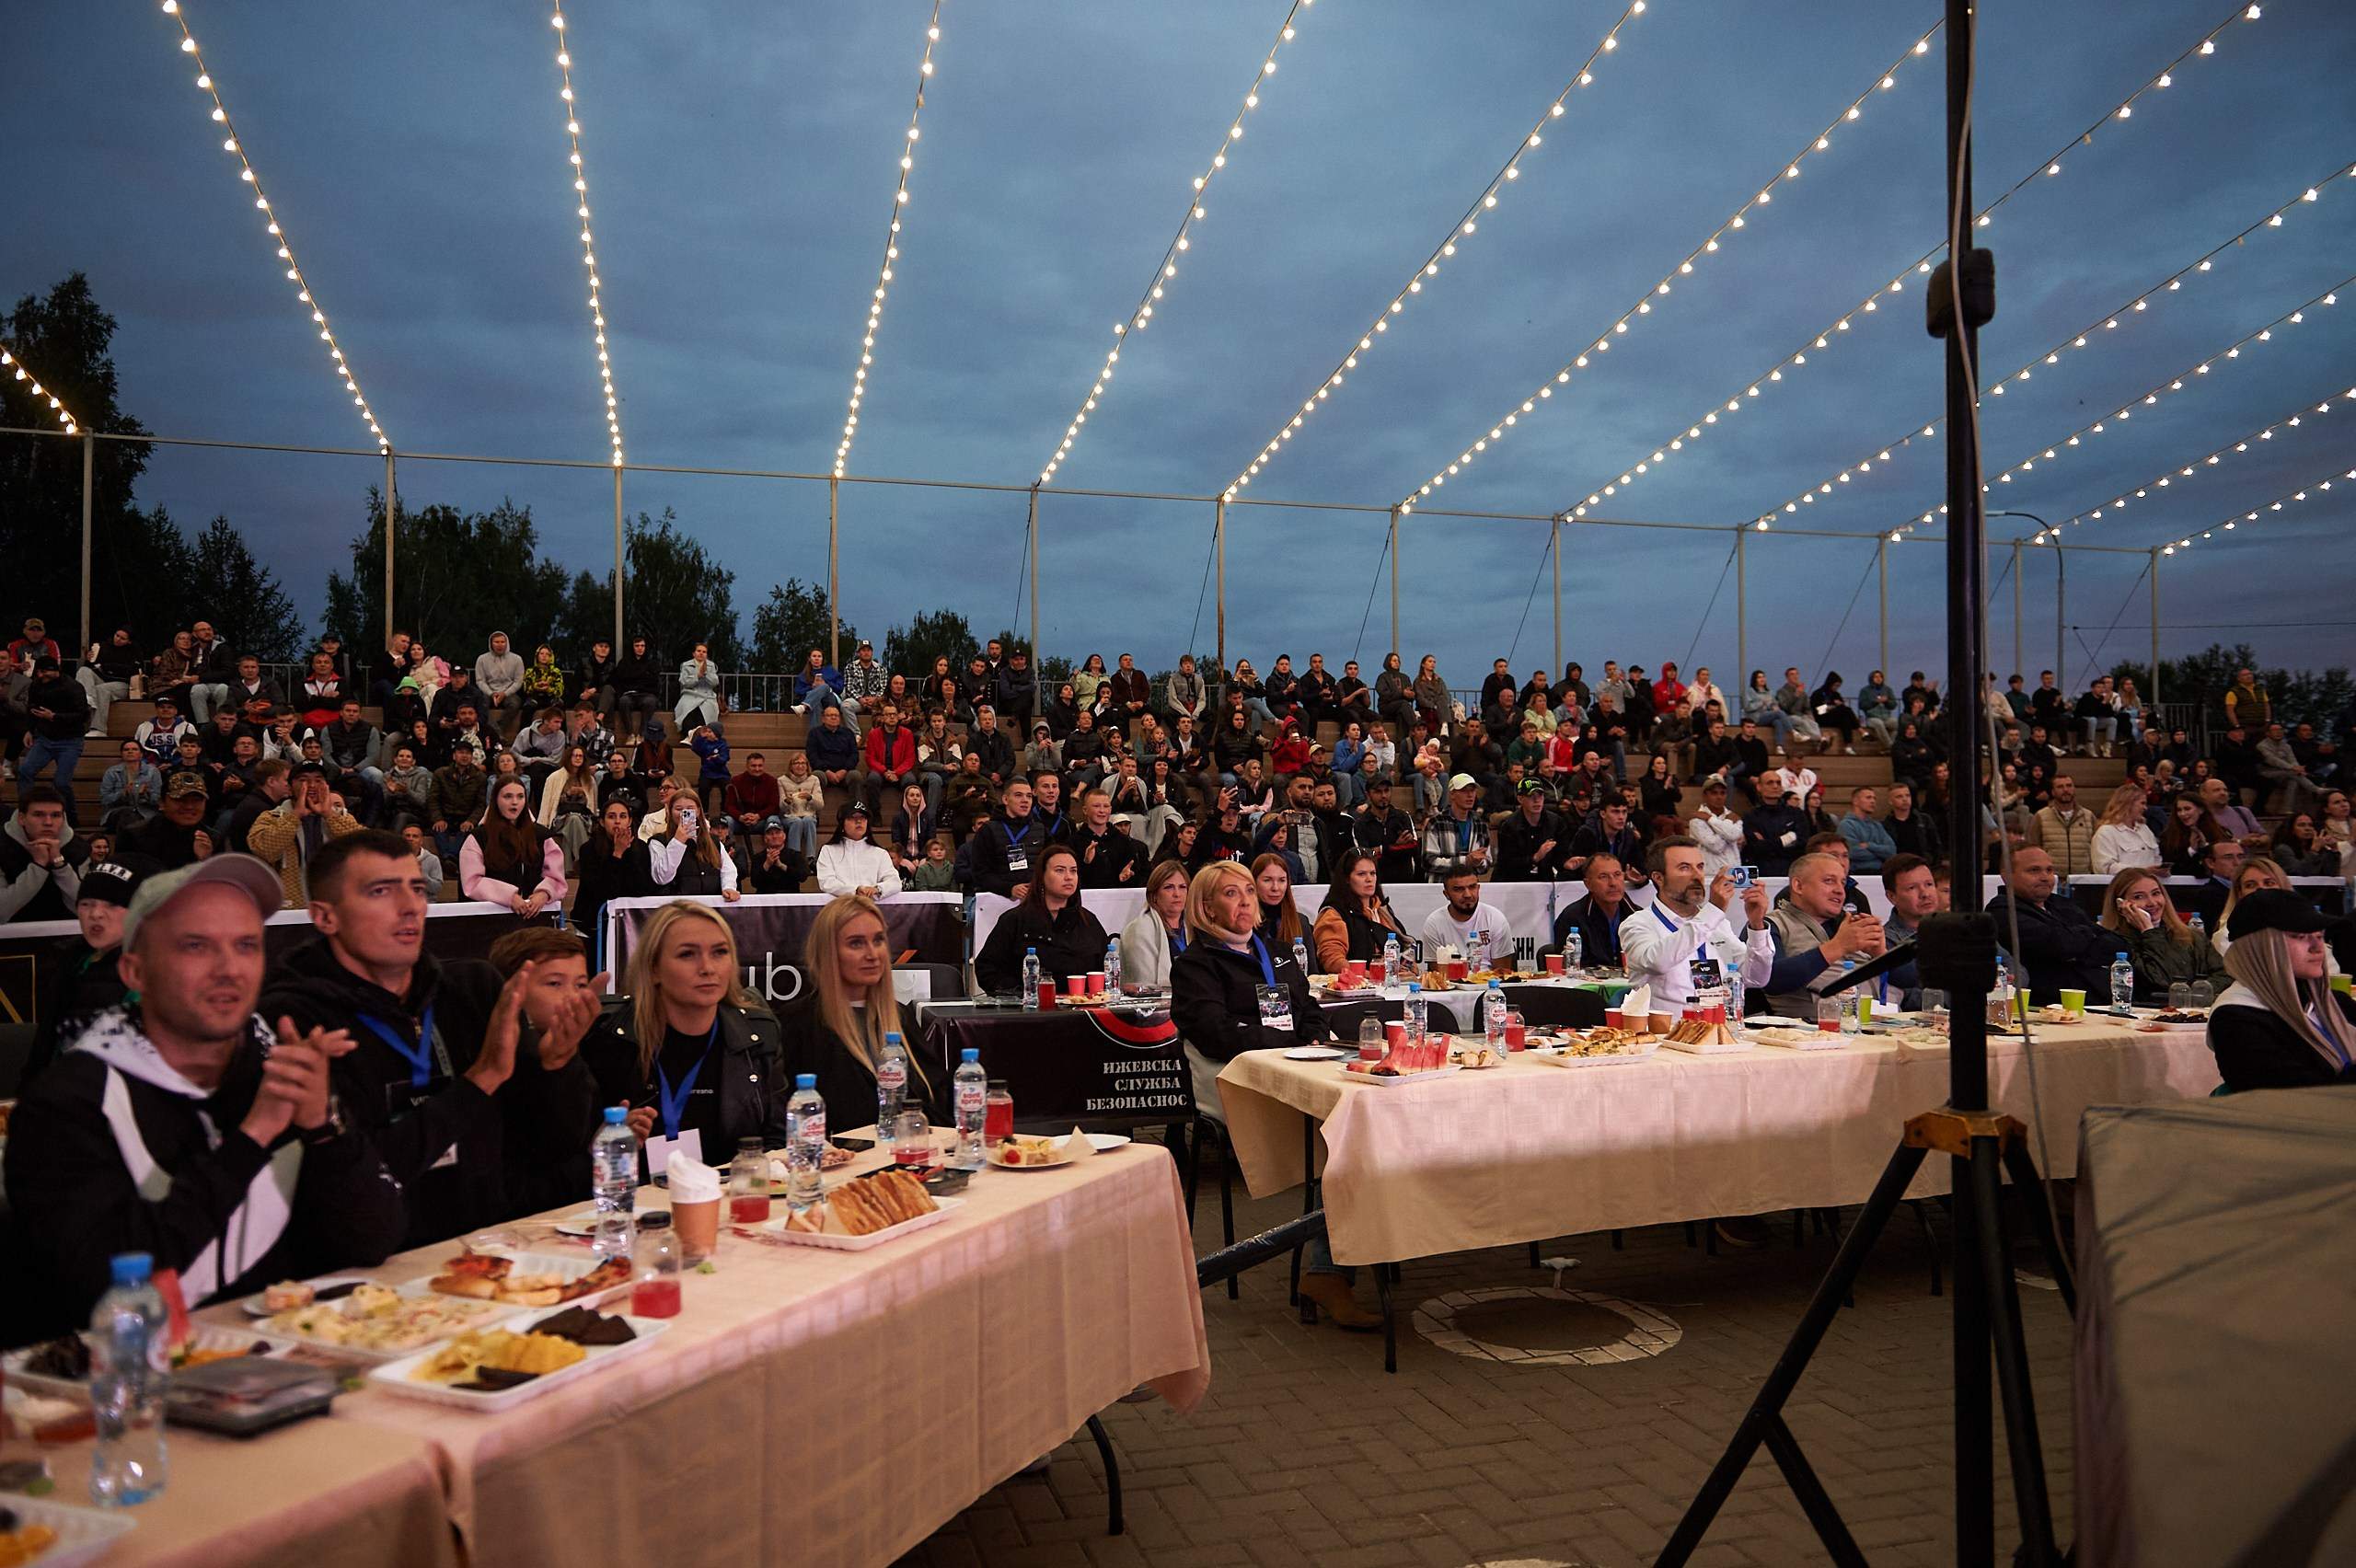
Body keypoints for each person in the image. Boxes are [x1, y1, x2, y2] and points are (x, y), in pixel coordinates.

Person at [4, 857, 410, 1334]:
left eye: (246, 945)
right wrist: (252, 1138)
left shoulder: (283, 1066)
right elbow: (102, 1282)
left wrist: (324, 1126)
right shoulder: (67, 1105)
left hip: (299, 1361)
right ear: (134, 972)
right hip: (134, 1387)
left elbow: (375, 1240)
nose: (229, 970)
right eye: (196, 946)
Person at [260, 832, 603, 1248]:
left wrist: (557, 1068)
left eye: (417, 888)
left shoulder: (472, 988)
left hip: (489, 1253)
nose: (410, 906)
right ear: (324, 916)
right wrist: (478, 1084)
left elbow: (544, 1147)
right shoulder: (293, 1021)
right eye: (381, 891)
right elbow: (353, 1174)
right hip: (364, 1273)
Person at [586, 900, 785, 1167]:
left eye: (719, 952)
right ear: (654, 968)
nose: (708, 968)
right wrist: (602, 1146)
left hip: (731, 1195)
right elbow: (574, 1152)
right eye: (687, 954)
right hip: (637, 1200)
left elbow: (777, 1139)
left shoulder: (758, 1032)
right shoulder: (608, 1035)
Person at [2206, 889, 2356, 1090]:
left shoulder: (2336, 1003)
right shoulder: (2236, 1017)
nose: (2317, 947)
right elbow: (2300, 1095)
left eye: (2319, 935)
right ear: (2261, 947)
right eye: (2300, 936)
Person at [22, 859, 143, 1089]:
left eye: (112, 905)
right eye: (87, 904)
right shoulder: (72, 962)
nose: (96, 914)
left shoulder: (146, 971)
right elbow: (48, 1047)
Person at [1621, 836, 1773, 1010]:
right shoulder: (1637, 924)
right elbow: (1657, 962)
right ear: (1659, 878)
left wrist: (1757, 926)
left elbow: (1756, 978)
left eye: (1700, 867)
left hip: (1719, 1028)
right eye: (1685, 868)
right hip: (1668, 1032)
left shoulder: (1718, 923)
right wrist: (1714, 910)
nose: (1697, 876)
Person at [1985, 845, 2129, 1003]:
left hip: (2100, 998)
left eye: (2049, 870)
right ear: (2007, 875)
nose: (2045, 877)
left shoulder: (2062, 904)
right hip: (2049, 1005)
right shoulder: (2002, 911)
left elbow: (2117, 945)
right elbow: (2061, 945)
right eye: (2034, 870)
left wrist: (2077, 950)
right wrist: (2089, 937)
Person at [1762, 851, 1888, 1017]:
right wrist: (1838, 946)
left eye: (1842, 883)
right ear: (1798, 886)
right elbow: (1769, 979)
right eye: (1829, 881)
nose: (1840, 891)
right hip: (1813, 1034)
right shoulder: (1769, 925)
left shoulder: (1853, 925)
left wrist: (1882, 955)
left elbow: (1911, 982)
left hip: (1884, 1025)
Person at [973, 843, 1107, 994]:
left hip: (1081, 1008)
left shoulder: (1088, 921)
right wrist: (1023, 993)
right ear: (1042, 876)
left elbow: (1105, 969)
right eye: (1060, 870)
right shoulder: (1015, 920)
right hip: (1029, 1010)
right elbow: (987, 968)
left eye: (1073, 871)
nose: (1068, 877)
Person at [2099, 866, 2228, 1006]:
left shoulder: (2192, 936)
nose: (2152, 903)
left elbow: (2224, 976)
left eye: (2156, 893)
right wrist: (2148, 931)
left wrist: (2192, 995)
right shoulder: (2115, 942)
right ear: (2121, 905)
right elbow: (2161, 980)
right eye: (2139, 897)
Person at [246, 761, 365, 906]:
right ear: (289, 787)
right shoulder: (272, 817)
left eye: (318, 780)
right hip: (291, 908)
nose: (312, 785)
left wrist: (329, 815)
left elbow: (364, 849)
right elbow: (265, 850)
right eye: (303, 780)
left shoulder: (341, 817)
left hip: (336, 905)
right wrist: (295, 816)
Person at [456, 774, 566, 917]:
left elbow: (555, 876)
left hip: (534, 918)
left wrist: (544, 893)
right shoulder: (478, 837)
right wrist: (509, 897)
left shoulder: (541, 835)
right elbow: (472, 882)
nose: (515, 802)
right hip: (492, 920)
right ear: (496, 800)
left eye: (520, 797)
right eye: (508, 797)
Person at [1309, 848, 1408, 974]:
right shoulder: (1333, 913)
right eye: (1361, 874)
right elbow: (1332, 961)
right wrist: (1372, 974)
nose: (1369, 879)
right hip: (1354, 987)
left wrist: (1410, 969)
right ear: (1346, 879)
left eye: (1373, 873)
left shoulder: (1382, 910)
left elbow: (1403, 952)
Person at [2, 784, 88, 923]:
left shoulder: (79, 849)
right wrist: (38, 866)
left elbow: (86, 909)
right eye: (38, 814)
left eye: (55, 815)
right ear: (22, 818)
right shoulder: (2, 846)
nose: (48, 822)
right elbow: (2, 910)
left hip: (67, 933)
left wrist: (59, 865)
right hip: (11, 934)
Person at [646, 794, 743, 900]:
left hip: (710, 905)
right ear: (670, 811)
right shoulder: (658, 841)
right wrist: (678, 842)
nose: (684, 813)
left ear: (698, 812)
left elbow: (728, 869)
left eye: (690, 809)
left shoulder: (713, 840)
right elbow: (661, 877)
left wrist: (728, 887)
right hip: (677, 907)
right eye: (678, 809)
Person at [1875, 853, 1937, 1011]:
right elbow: (1911, 987)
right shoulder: (1884, 941)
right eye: (1912, 888)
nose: (1925, 894)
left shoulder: (1956, 929)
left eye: (1929, 884)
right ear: (1892, 896)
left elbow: (2003, 962)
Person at [1419, 866, 1512, 971]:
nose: (1467, 895)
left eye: (1472, 887)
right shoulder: (1434, 923)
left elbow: (1503, 975)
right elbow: (1438, 976)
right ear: (1447, 895)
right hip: (1451, 984)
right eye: (1458, 889)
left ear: (1478, 888)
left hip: (1488, 984)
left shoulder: (1495, 918)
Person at [1118, 859, 1192, 989]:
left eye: (1182, 887)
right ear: (1154, 895)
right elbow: (1144, 984)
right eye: (1169, 887)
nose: (1177, 894)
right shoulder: (1138, 930)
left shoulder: (1196, 926)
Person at [1551, 854, 1634, 967]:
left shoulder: (1637, 915)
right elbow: (1572, 968)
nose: (1613, 883)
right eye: (1603, 877)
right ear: (1588, 884)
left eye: (1617, 875)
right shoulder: (1572, 917)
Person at [816, 801, 900, 899]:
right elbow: (827, 882)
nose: (859, 821)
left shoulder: (880, 853)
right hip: (841, 908)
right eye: (852, 817)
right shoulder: (828, 851)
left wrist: (878, 889)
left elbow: (895, 882)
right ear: (842, 824)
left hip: (871, 908)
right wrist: (854, 890)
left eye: (862, 817)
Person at [2212, 857, 2292, 957]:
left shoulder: (2303, 928)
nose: (2261, 889)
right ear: (2239, 893)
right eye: (2250, 885)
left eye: (2268, 883)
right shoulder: (2226, 936)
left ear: (2283, 887)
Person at [1419, 773, 1493, 881]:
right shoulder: (1436, 823)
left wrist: (1478, 862)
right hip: (1440, 887)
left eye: (1472, 790)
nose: (1470, 795)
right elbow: (1429, 861)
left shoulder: (1480, 824)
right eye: (1464, 791)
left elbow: (1487, 862)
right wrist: (1465, 861)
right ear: (1452, 794)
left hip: (1469, 888)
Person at [1070, 784, 1146, 889]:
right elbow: (1071, 880)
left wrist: (1126, 878)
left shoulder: (1124, 841)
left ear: (1110, 810)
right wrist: (1086, 863)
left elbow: (1136, 877)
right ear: (1085, 810)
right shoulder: (1074, 841)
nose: (1102, 810)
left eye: (1105, 806)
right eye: (1096, 806)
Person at [2026, 773, 2097, 881]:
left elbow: (2096, 848)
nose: (2065, 790)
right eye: (2060, 787)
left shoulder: (2088, 816)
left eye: (2069, 786)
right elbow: (2032, 848)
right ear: (2053, 792)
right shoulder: (2041, 816)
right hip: (2052, 879)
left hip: (2083, 879)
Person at [1494, 780, 1569, 882]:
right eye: (1531, 796)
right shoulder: (1508, 825)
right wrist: (1535, 858)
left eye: (1540, 795)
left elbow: (1560, 855)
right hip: (1512, 882)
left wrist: (1566, 863)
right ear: (1520, 799)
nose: (1537, 800)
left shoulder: (1556, 822)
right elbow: (1506, 864)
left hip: (1543, 880)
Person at [861, 699, 918, 821]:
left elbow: (910, 759)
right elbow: (870, 758)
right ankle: (875, 814)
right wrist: (885, 771)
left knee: (910, 780)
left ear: (898, 717)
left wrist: (896, 773)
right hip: (881, 771)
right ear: (882, 717)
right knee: (872, 778)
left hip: (900, 771)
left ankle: (906, 815)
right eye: (888, 714)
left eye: (894, 714)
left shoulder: (907, 734)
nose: (892, 717)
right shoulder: (874, 734)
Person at [474, 632, 526, 741]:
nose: (500, 645)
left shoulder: (517, 659)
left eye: (502, 642)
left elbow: (518, 681)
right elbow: (480, 680)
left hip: (509, 692)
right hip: (488, 691)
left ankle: (498, 730)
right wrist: (491, 693)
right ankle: (496, 732)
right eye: (497, 642)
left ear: (507, 643)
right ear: (491, 644)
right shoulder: (482, 659)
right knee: (480, 703)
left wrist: (505, 694)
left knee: (515, 703)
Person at [610, 636, 663, 739]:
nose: (640, 648)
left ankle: (642, 735)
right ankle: (630, 735)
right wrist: (643, 676)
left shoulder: (652, 664)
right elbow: (620, 679)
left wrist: (633, 678)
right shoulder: (624, 663)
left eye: (642, 646)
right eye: (637, 645)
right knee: (623, 702)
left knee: (650, 702)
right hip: (629, 694)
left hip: (647, 694)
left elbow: (653, 681)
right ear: (632, 647)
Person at [1838, 786, 1897, 874]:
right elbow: (1853, 852)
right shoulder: (1846, 825)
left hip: (1880, 872)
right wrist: (1880, 855)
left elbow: (1891, 851)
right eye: (1868, 798)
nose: (1873, 801)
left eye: (1874, 798)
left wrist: (1869, 846)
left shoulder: (1877, 826)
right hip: (1858, 873)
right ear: (1856, 802)